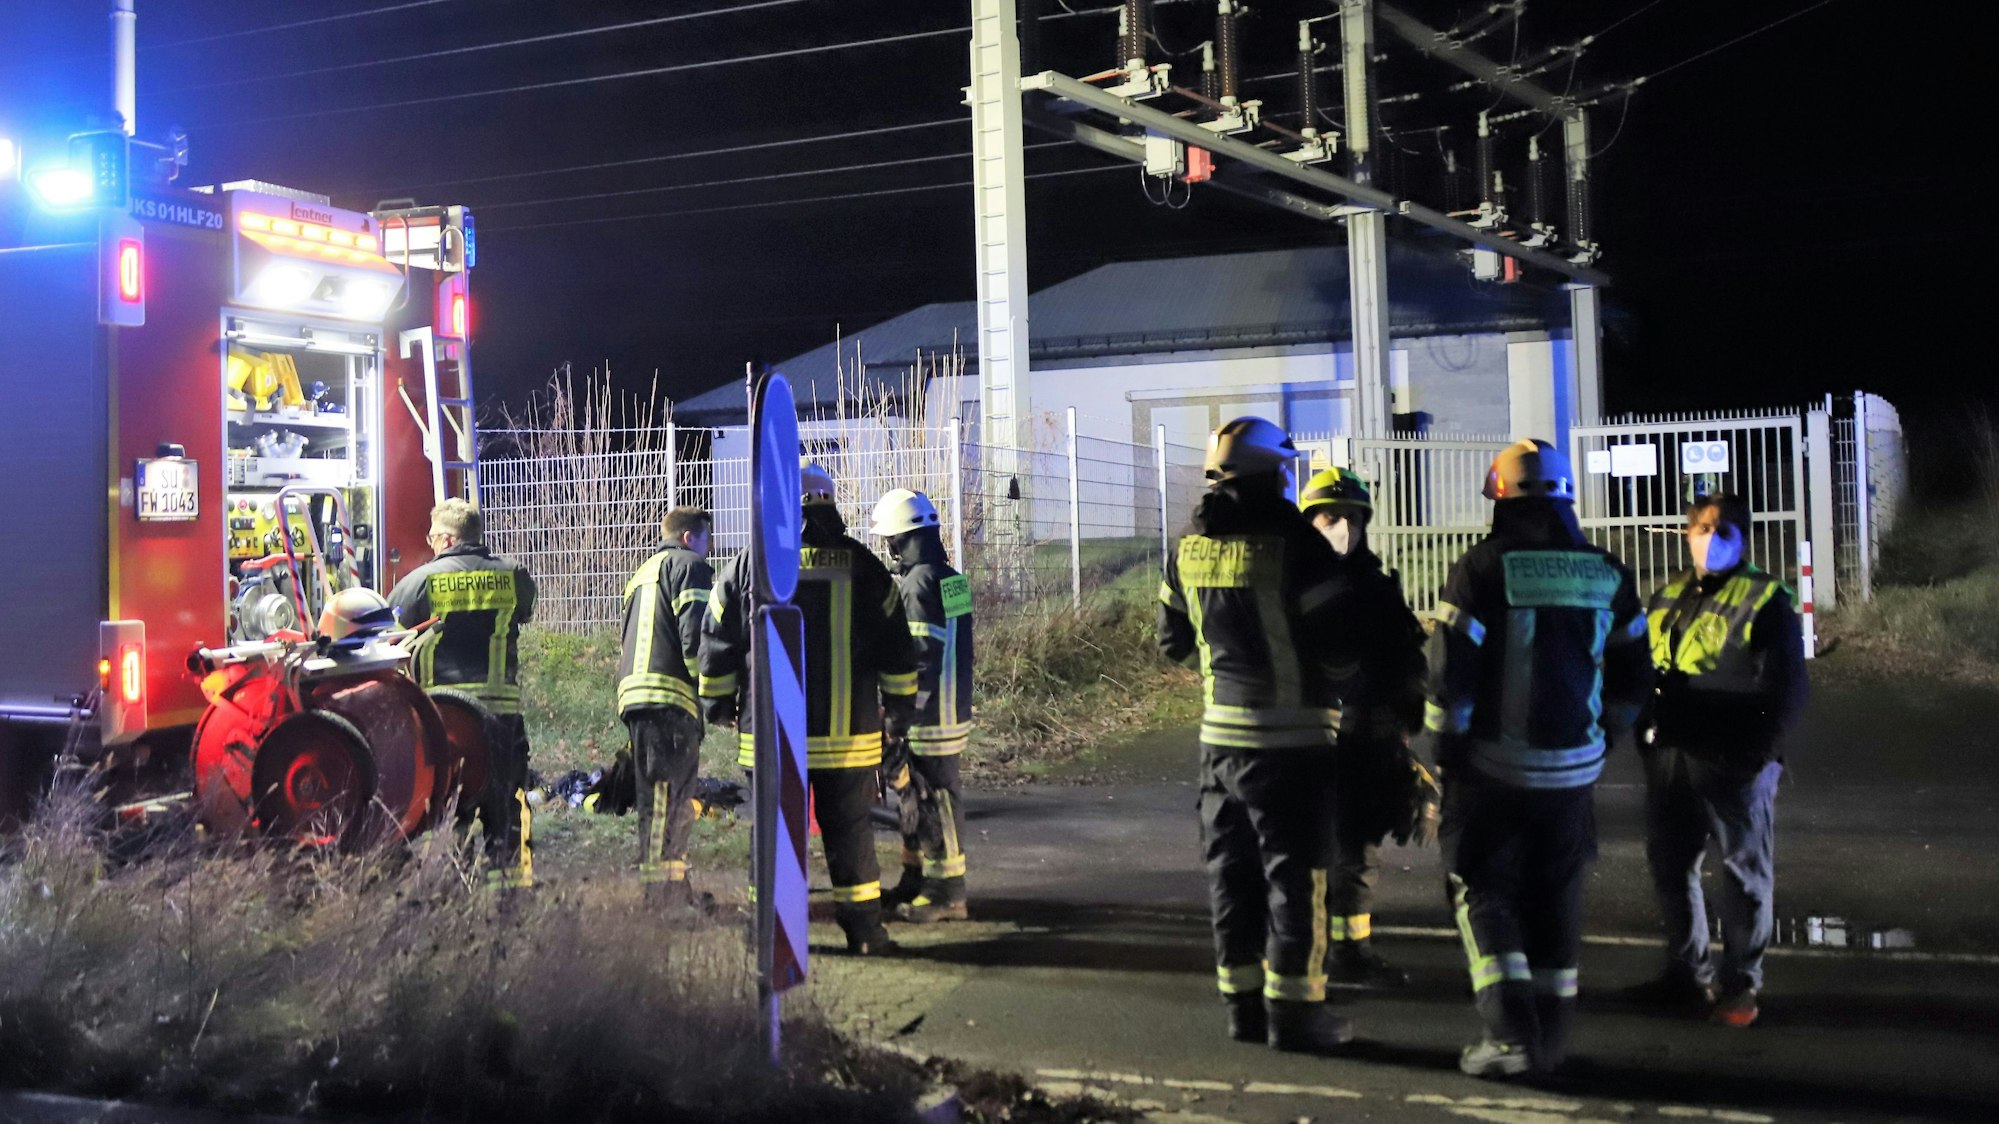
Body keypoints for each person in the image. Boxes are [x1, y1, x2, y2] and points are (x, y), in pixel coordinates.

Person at [1424, 439, 1653, 1079]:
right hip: (1574, 778)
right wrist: (1601, 739)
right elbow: (1636, 678)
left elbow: (1450, 682)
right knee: (1556, 898)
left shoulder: (1482, 569)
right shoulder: (1606, 571)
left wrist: (1447, 756)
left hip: (1494, 773)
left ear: (1498, 497)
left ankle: (1509, 1038)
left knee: (1481, 890)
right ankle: (1548, 1039)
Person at [1159, 417, 1367, 1054]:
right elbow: (1339, 652)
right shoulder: (1298, 546)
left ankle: (1242, 1012)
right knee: (1295, 881)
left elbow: (1172, 644)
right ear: (1272, 474)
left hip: (1219, 746)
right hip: (1295, 748)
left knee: (1232, 878)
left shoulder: (1187, 546)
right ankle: (1296, 1016)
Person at [699, 461, 919, 955]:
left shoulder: (749, 565)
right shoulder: (865, 566)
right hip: (850, 738)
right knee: (851, 834)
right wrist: (899, 710)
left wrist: (717, 703)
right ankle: (865, 934)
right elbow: (898, 647)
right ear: (829, 502)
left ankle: (771, 936)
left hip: (774, 739)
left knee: (777, 837)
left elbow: (716, 636)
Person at [1632, 492, 1808, 1028]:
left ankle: (1740, 987)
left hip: (1733, 757)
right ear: (1686, 533)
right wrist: (1646, 739)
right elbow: (1647, 671)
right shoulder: (1669, 595)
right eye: (1700, 526)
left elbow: (1787, 688)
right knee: (1671, 865)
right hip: (1674, 754)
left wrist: (1757, 754)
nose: (1709, 537)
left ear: (1743, 536)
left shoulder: (1766, 599)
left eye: (1721, 528)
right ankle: (1686, 974)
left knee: (1744, 874)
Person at [1297, 467, 1427, 988]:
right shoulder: (1293, 587)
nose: (1343, 526)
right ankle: (1310, 951)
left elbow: (1406, 651)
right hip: (1310, 738)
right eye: (1331, 516)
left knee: (1358, 847)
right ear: (1310, 521)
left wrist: (1409, 706)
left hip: (1369, 737)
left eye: (1352, 517)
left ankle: (1352, 948)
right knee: (1313, 849)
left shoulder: (1377, 584)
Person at [387, 499, 539, 892]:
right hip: (501, 716)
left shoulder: (419, 582)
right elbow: (524, 610)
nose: (431, 543)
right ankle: (509, 899)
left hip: (445, 721)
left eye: (433, 537)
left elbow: (388, 635)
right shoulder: (514, 576)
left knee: (446, 811)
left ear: (447, 538)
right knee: (505, 806)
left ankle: (447, 893)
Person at [870, 488, 976, 924]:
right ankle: (915, 880)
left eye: (890, 540)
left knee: (933, 800)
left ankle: (947, 892)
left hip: (927, 717)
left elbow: (916, 655)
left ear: (903, 537)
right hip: (952, 708)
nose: (889, 550)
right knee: (918, 799)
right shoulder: (950, 577)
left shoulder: (917, 584)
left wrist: (897, 712)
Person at [616, 506, 716, 910]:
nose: (709, 549)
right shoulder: (689, 566)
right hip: (670, 698)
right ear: (690, 538)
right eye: (707, 539)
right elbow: (696, 638)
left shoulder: (644, 571)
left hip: (637, 697)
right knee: (668, 802)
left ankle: (672, 887)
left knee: (661, 799)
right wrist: (710, 692)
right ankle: (662, 897)